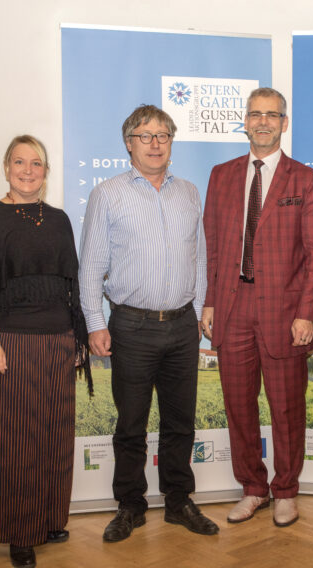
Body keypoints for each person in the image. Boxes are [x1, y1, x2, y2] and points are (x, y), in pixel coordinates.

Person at [79, 105, 218, 542]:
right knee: (132, 424)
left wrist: (196, 317)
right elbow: (90, 268)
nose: (155, 143)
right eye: (145, 135)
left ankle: (178, 502)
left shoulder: (189, 193)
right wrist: (95, 323)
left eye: (163, 135)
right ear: (129, 143)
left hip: (181, 328)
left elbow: (199, 258)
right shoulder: (108, 194)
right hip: (131, 328)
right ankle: (130, 506)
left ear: (171, 143)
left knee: (180, 424)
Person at [0, 135, 92, 568]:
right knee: (15, 438)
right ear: (6, 167)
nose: (28, 170)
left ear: (47, 172)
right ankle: (18, 531)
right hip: (10, 343)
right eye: (20, 162)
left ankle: (49, 518)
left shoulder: (58, 220)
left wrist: (76, 339)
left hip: (57, 342)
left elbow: (71, 284)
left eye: (37, 163)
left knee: (54, 434)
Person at [202, 88, 313, 527]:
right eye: (255, 114)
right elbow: (214, 247)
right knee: (239, 405)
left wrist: (307, 314)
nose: (263, 122)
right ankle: (252, 488)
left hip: (285, 311)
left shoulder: (307, 180)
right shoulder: (221, 176)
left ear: (284, 123)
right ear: (244, 120)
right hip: (233, 306)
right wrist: (210, 301)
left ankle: (286, 491)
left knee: (286, 406)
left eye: (271, 115)